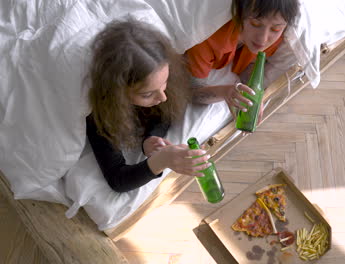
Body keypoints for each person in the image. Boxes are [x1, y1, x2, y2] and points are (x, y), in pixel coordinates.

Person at [86, 19, 212, 193]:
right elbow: (117, 179)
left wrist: (150, 138)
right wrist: (161, 161)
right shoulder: (100, 114)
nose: (163, 96)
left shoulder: (159, 71)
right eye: (147, 94)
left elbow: (166, 112)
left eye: (165, 82)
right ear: (119, 93)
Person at [185, 0, 299, 114]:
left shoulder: (277, 39)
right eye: (255, 23)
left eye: (275, 29)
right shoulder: (207, 38)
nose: (263, 39)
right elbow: (190, 93)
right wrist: (224, 92)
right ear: (240, 14)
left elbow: (250, 65)